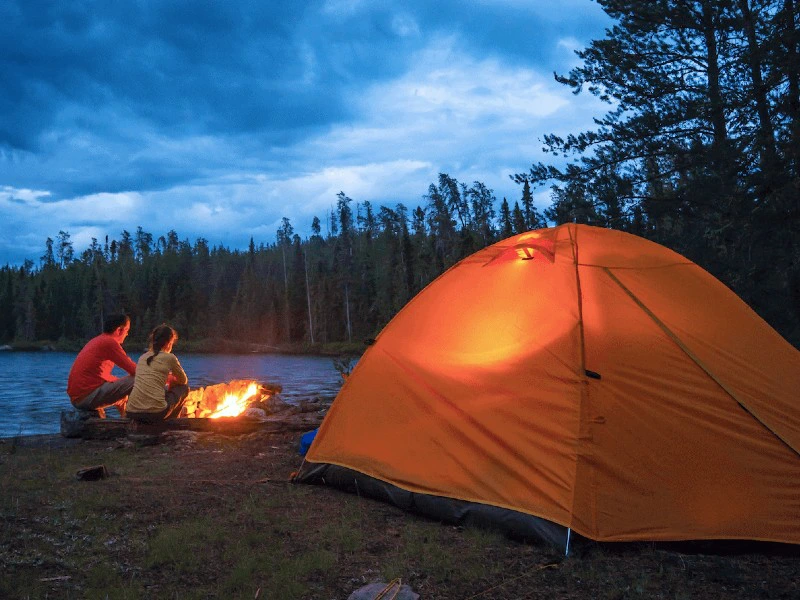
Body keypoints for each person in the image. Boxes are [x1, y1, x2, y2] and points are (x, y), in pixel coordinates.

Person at [67, 313, 136, 418]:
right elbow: (135, 371)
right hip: (85, 397)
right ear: (119, 330)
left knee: (122, 396)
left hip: (79, 397)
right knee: (136, 379)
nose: (127, 334)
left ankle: (126, 420)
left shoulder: (98, 340)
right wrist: (166, 378)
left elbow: (99, 375)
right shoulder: (109, 343)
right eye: (127, 330)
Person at [126, 324, 190, 423]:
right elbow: (183, 380)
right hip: (155, 413)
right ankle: (172, 422)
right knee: (184, 388)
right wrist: (172, 379)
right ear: (169, 343)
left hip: (132, 412)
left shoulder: (142, 357)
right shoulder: (169, 357)